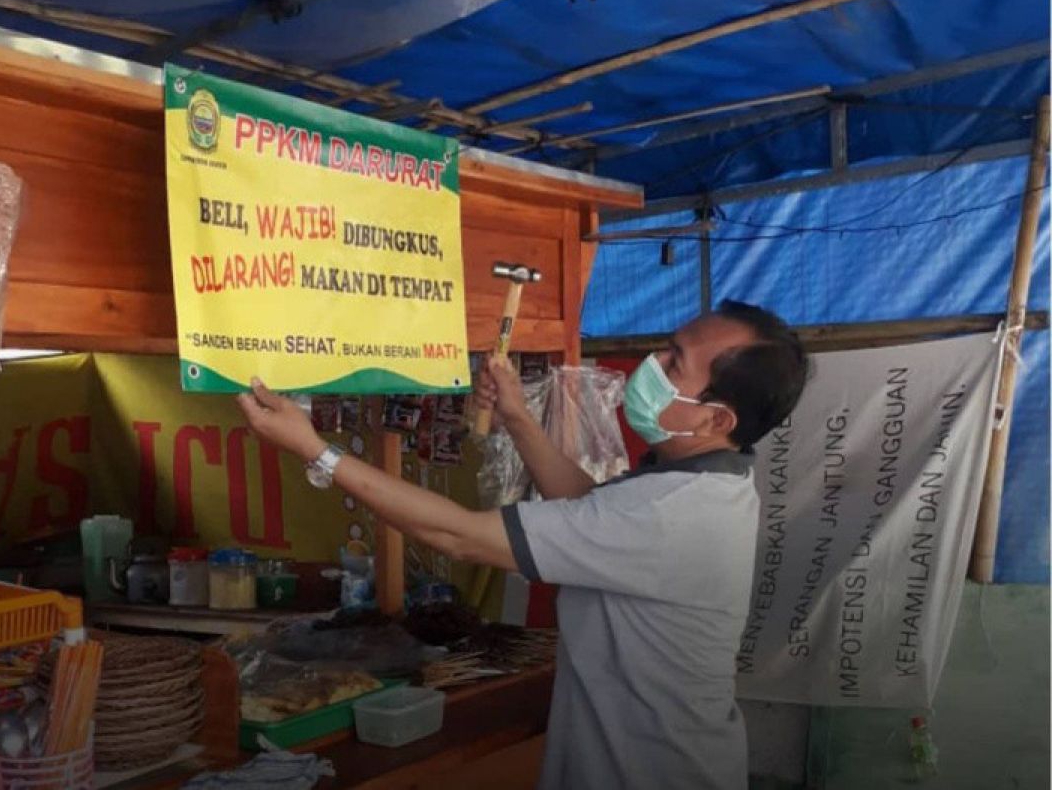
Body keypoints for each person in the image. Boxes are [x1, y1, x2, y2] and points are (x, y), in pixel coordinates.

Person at [236, 300, 809, 790]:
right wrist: (517, 416)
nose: (651, 364)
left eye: (674, 363)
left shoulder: (671, 514)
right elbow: (590, 508)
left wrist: (318, 451)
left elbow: (458, 535)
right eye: (665, 347)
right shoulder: (708, 483)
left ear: (714, 419)